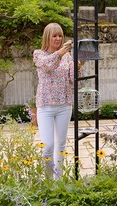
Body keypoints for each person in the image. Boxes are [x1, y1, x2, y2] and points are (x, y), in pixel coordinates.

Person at [33, 22, 76, 179]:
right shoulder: (39, 54)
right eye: (54, 36)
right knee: (48, 146)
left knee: (61, 145)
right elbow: (48, 66)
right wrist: (61, 53)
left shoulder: (67, 56)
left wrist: (78, 66)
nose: (58, 39)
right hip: (45, 106)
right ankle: (48, 180)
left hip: (64, 105)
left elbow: (73, 80)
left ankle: (58, 181)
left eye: (60, 36)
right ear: (47, 37)